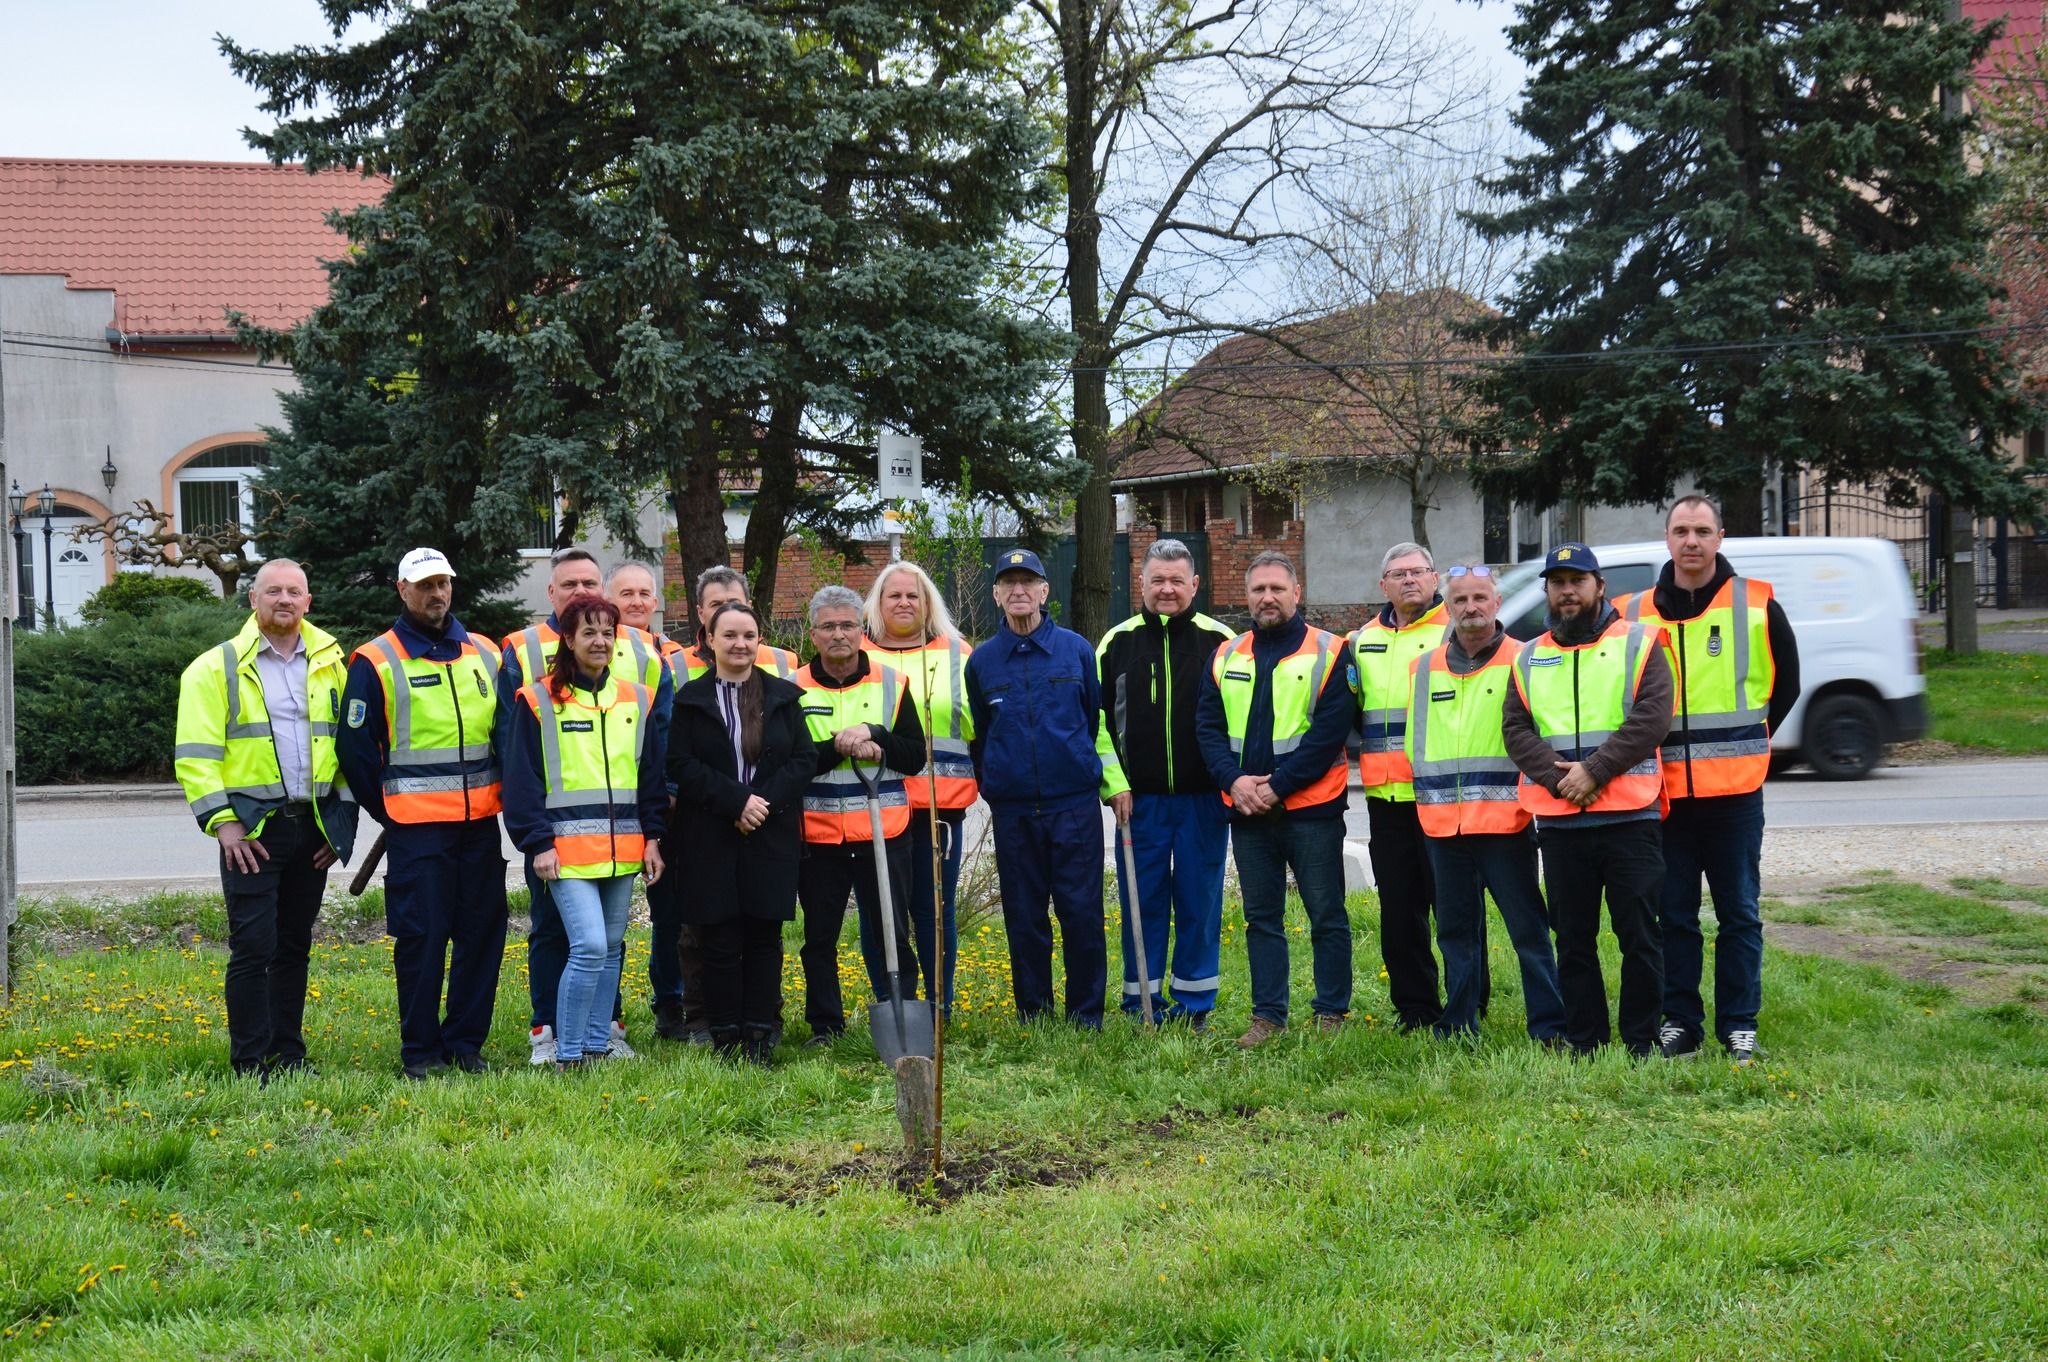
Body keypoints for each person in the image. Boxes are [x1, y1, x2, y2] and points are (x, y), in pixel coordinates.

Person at [1614, 496, 1800, 1066]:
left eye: (1701, 531)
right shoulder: (1631, 613)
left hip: (1735, 795)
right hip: (1662, 795)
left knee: (1739, 914)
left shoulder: (1758, 604)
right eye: (1680, 531)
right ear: (1665, 539)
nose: (1690, 541)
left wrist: (1748, 748)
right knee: (1674, 916)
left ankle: (1739, 1024)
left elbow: (1786, 687)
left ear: (1721, 536)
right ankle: (1681, 1023)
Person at [174, 559, 358, 1081]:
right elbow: (195, 755)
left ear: (308, 602)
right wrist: (223, 824)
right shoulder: (215, 668)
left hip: (313, 827)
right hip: (252, 829)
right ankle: (250, 1062)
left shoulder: (332, 664)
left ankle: (289, 1055)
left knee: (294, 946)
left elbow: (347, 749)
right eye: (273, 591)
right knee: (254, 948)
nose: (284, 599)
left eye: (294, 592)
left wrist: (338, 825)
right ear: (253, 601)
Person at [495, 548, 673, 1064]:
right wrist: (536, 843)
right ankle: (567, 1050)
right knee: (589, 946)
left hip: (623, 850)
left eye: (606, 633)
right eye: (588, 633)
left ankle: (598, 1044)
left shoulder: (634, 699)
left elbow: (649, 777)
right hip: (565, 853)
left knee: (612, 949)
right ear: (568, 641)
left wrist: (654, 837)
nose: (599, 641)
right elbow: (522, 779)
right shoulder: (538, 700)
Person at [338, 548, 508, 1079]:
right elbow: (356, 750)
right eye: (425, 585)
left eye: (444, 584)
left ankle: (465, 1044)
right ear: (402, 590)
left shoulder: (483, 652)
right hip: (416, 833)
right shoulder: (376, 659)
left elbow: (506, 736)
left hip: (480, 827)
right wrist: (390, 810)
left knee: (482, 936)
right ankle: (421, 1052)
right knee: (422, 940)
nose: (437, 594)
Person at [1501, 543, 1673, 1058]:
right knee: (1573, 942)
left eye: (1578, 580)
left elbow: (1652, 716)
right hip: (1560, 823)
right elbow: (1515, 728)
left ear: (1599, 586)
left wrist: (1594, 770)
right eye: (1558, 582)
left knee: (1639, 937)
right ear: (1548, 591)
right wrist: (1561, 782)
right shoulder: (1529, 656)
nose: (1567, 590)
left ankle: (1641, 1040)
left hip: (1629, 817)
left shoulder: (1640, 643)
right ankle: (1587, 1041)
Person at [1196, 551, 1356, 1048]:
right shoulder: (1227, 654)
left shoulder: (1331, 652)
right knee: (1261, 918)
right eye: (1258, 590)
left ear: (1296, 593)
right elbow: (1208, 727)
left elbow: (1328, 735)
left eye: (1277, 589)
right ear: (1246, 597)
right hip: (1247, 812)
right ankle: (1268, 1016)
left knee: (1325, 914)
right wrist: (1235, 783)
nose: (1267, 598)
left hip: (1312, 810)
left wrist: (1275, 787)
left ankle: (1331, 1012)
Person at [1403, 563, 1566, 1045]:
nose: (1470, 608)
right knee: (1454, 933)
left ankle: (1550, 1026)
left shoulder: (1526, 659)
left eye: (1480, 598)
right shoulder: (1423, 668)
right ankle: (1458, 1024)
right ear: (1447, 607)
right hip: (1442, 827)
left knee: (1529, 932)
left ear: (1497, 603)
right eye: (1460, 601)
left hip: (1506, 823)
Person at [965, 548, 1127, 1028]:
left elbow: (1093, 719)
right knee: (1024, 915)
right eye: (1008, 583)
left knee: (1081, 913)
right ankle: (1033, 1012)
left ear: (1044, 591)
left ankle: (1086, 1014)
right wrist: (995, 783)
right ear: (996, 594)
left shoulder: (1077, 650)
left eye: (1027, 582)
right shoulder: (983, 662)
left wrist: (1103, 783)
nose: (1019, 591)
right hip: (1014, 811)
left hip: (1072, 806)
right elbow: (981, 731)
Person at [667, 601, 816, 1063]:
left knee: (764, 938)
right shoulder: (690, 700)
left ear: (759, 640)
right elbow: (680, 764)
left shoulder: (783, 697)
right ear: (708, 640)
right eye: (729, 635)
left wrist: (760, 804)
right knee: (720, 938)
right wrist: (735, 802)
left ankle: (760, 1033)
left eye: (749, 635)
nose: (740, 644)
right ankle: (726, 1035)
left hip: (770, 836)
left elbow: (803, 761)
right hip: (711, 835)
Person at [1094, 539, 1234, 1028]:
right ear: (1142, 584)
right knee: (1142, 902)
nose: (1167, 589)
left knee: (1200, 901)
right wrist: (1114, 785)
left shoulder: (1222, 642)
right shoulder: (1116, 643)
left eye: (1177, 580)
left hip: (1204, 802)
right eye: (1158, 580)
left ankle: (1194, 1005)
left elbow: (1235, 722)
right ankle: (1142, 1004)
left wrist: (1230, 783)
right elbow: (1096, 723)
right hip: (1139, 802)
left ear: (1195, 584)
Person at [793, 585, 927, 1044]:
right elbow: (792, 764)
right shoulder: (793, 689)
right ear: (813, 634)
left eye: (848, 625)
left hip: (885, 834)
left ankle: (900, 1013)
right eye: (828, 626)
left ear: (861, 630)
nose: (839, 635)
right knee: (820, 939)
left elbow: (914, 756)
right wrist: (840, 746)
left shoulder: (892, 683)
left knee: (892, 929)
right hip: (820, 837)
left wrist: (875, 733)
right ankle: (825, 1025)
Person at [862, 561, 974, 1012]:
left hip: (940, 807)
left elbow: (979, 725)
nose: (904, 603)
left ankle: (939, 1004)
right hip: (876, 806)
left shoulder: (958, 653)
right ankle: (893, 1003)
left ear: (928, 603)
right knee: (882, 913)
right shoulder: (860, 656)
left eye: (914, 595)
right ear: (878, 603)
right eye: (895, 595)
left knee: (934, 911)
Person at [1349, 541, 1452, 1032]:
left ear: (1435, 579)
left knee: (1454, 909)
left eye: (1419, 571)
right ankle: (1415, 1008)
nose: (1410, 580)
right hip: (1385, 799)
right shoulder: (1360, 640)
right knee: (1400, 914)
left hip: (1442, 798)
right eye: (1399, 573)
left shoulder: (1455, 631)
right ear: (1382, 585)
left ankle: (1466, 1005)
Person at [607, 560, 693, 1043]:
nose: (637, 602)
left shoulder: (676, 658)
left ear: (657, 602)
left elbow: (676, 734)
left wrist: (673, 795)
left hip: (669, 805)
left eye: (645, 593)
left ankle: (671, 1004)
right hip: (610, 808)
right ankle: (608, 1011)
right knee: (607, 919)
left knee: (671, 912)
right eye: (626, 593)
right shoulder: (595, 649)